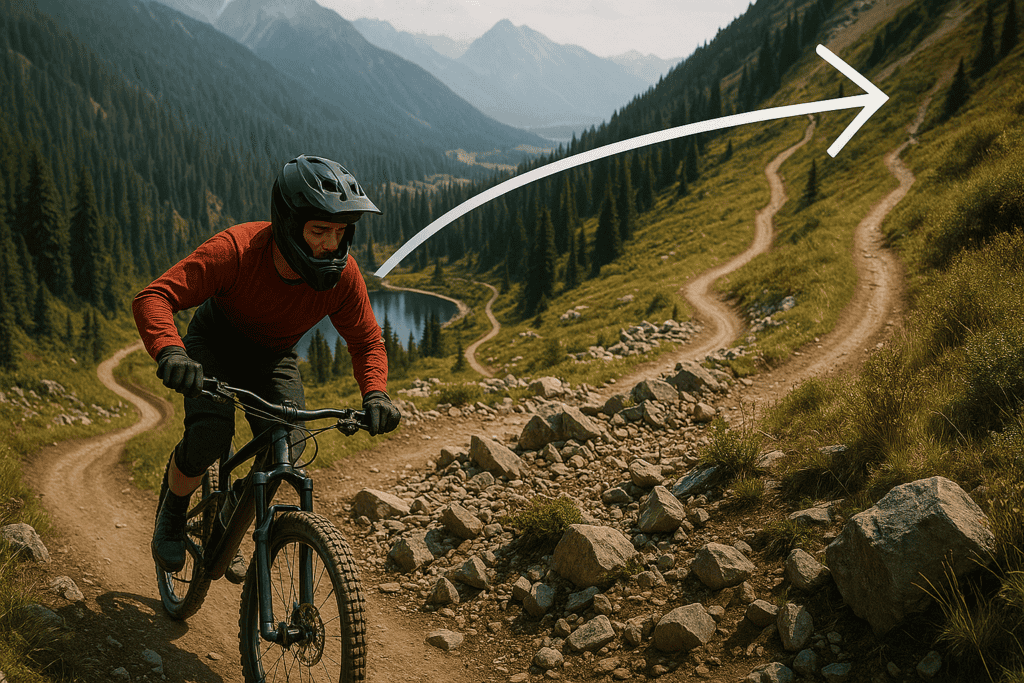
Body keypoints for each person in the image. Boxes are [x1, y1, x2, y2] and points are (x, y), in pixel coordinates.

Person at [133, 154, 401, 581]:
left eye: (341, 231)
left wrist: (376, 394)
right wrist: (170, 351)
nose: (332, 244)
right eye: (319, 231)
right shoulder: (237, 250)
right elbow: (154, 297)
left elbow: (366, 340)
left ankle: (231, 516)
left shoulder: (343, 277)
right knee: (210, 434)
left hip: (272, 357)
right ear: (289, 224)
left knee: (288, 450)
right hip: (213, 344)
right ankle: (173, 510)